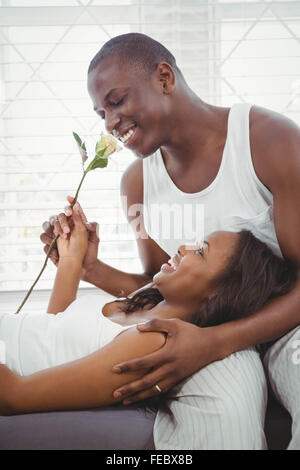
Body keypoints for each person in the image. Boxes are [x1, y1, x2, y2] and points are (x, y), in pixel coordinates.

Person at [40, 33, 300, 449]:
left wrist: (218, 341)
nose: (109, 122)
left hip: (287, 323)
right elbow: (154, 285)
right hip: (196, 331)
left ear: (164, 78)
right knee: (227, 417)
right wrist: (90, 268)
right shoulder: (137, 183)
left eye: (117, 100)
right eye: (100, 112)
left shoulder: (270, 141)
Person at [0, 206, 297, 432]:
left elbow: (14, 396)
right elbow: (52, 333)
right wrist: (70, 259)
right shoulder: (145, 303)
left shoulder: (152, 342)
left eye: (201, 252)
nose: (183, 247)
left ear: (218, 294)